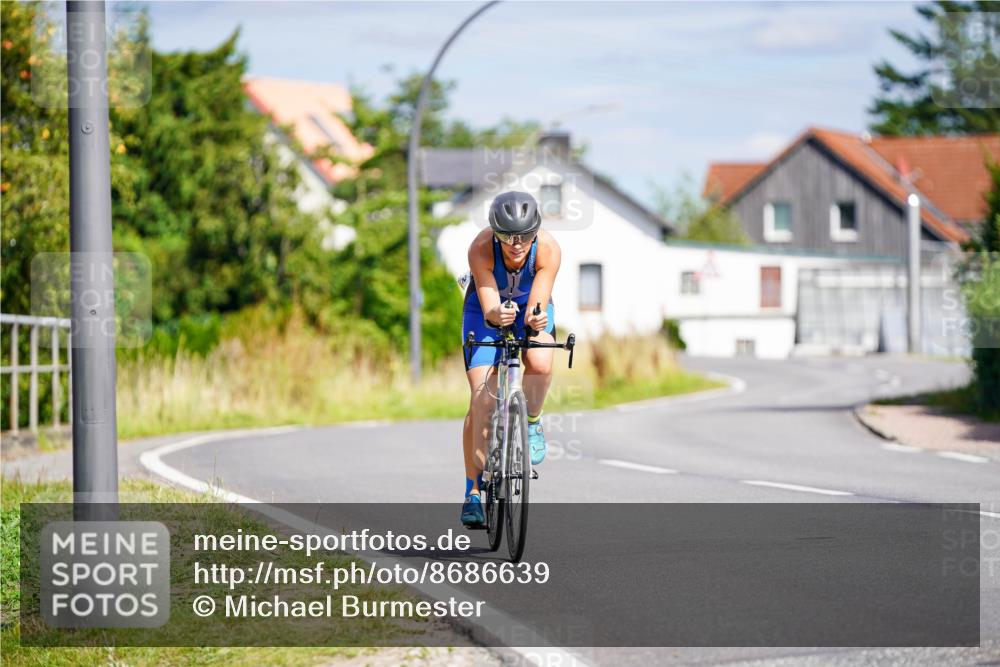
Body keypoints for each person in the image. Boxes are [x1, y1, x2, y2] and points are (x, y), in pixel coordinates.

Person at [460, 191, 561, 526]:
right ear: (494, 232)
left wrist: (534, 320)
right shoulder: (480, 247)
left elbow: (538, 303)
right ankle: (473, 491)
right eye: (506, 236)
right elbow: (489, 305)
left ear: (536, 232)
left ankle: (531, 422)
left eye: (525, 236)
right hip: (484, 312)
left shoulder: (548, 249)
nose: (517, 244)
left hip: (528, 309)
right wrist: (495, 313)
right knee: (482, 400)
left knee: (542, 359)